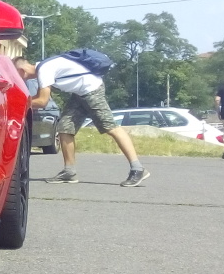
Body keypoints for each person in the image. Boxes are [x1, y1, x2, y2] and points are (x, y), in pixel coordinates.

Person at [15, 55, 149, 187]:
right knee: (65, 127)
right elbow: (38, 98)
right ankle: (69, 172)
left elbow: (42, 101)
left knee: (111, 127)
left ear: (21, 71)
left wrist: (17, 102)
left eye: (17, 76)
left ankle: (137, 169)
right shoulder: (44, 66)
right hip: (79, 93)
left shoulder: (44, 70)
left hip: (91, 90)